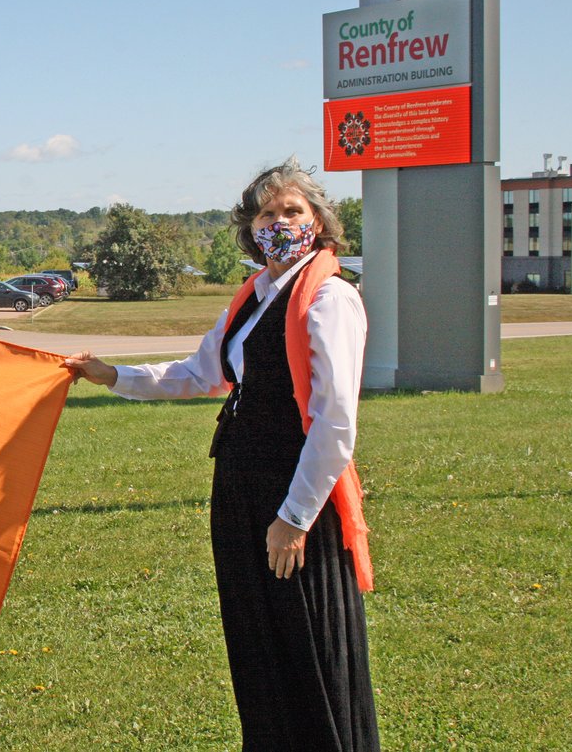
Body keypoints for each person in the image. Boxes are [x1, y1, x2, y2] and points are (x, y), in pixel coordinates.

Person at [66, 157, 379, 751]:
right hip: (240, 486)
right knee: (259, 645)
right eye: (267, 212)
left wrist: (292, 520)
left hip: (292, 498)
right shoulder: (255, 296)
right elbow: (198, 372)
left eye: (293, 211)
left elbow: (336, 423)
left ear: (319, 221)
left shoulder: (329, 299)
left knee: (306, 644)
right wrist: (112, 376)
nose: (280, 222)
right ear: (249, 225)